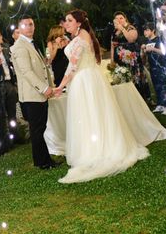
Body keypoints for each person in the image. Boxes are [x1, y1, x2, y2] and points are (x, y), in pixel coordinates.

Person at [53, 10, 149, 183]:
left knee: (90, 114)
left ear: (79, 23)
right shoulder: (83, 36)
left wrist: (60, 86)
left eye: (69, 20)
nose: (65, 24)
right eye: (65, 21)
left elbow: (73, 67)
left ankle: (95, 150)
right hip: (90, 78)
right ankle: (99, 144)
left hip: (84, 80)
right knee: (94, 113)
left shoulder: (81, 39)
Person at [11, 16, 57, 169]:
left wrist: (51, 86)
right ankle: (42, 162)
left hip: (39, 94)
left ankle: (44, 159)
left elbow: (42, 68)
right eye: (25, 25)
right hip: (32, 95)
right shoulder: (20, 46)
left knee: (41, 128)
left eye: (31, 24)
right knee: (37, 130)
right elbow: (27, 72)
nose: (29, 27)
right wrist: (44, 88)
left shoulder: (30, 43)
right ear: (19, 28)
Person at [0, 30, 18, 132]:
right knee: (1, 114)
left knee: (12, 112)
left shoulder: (7, 48)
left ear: (1, 38)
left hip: (9, 83)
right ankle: (4, 138)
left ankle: (14, 134)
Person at [141, 23, 166, 114]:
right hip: (152, 67)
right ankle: (160, 104)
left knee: (164, 86)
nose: (145, 32)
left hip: (161, 66)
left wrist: (153, 49)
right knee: (156, 86)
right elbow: (144, 57)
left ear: (152, 30)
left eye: (147, 30)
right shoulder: (147, 42)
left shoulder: (159, 40)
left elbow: (163, 52)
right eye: (144, 30)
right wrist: (143, 51)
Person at [110, 11, 144, 93]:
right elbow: (112, 45)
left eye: (121, 18)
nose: (119, 20)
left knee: (134, 78)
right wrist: (112, 60)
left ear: (125, 18)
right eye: (117, 19)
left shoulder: (131, 28)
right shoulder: (115, 32)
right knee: (123, 79)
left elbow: (131, 39)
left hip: (131, 59)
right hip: (119, 59)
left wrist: (122, 29)